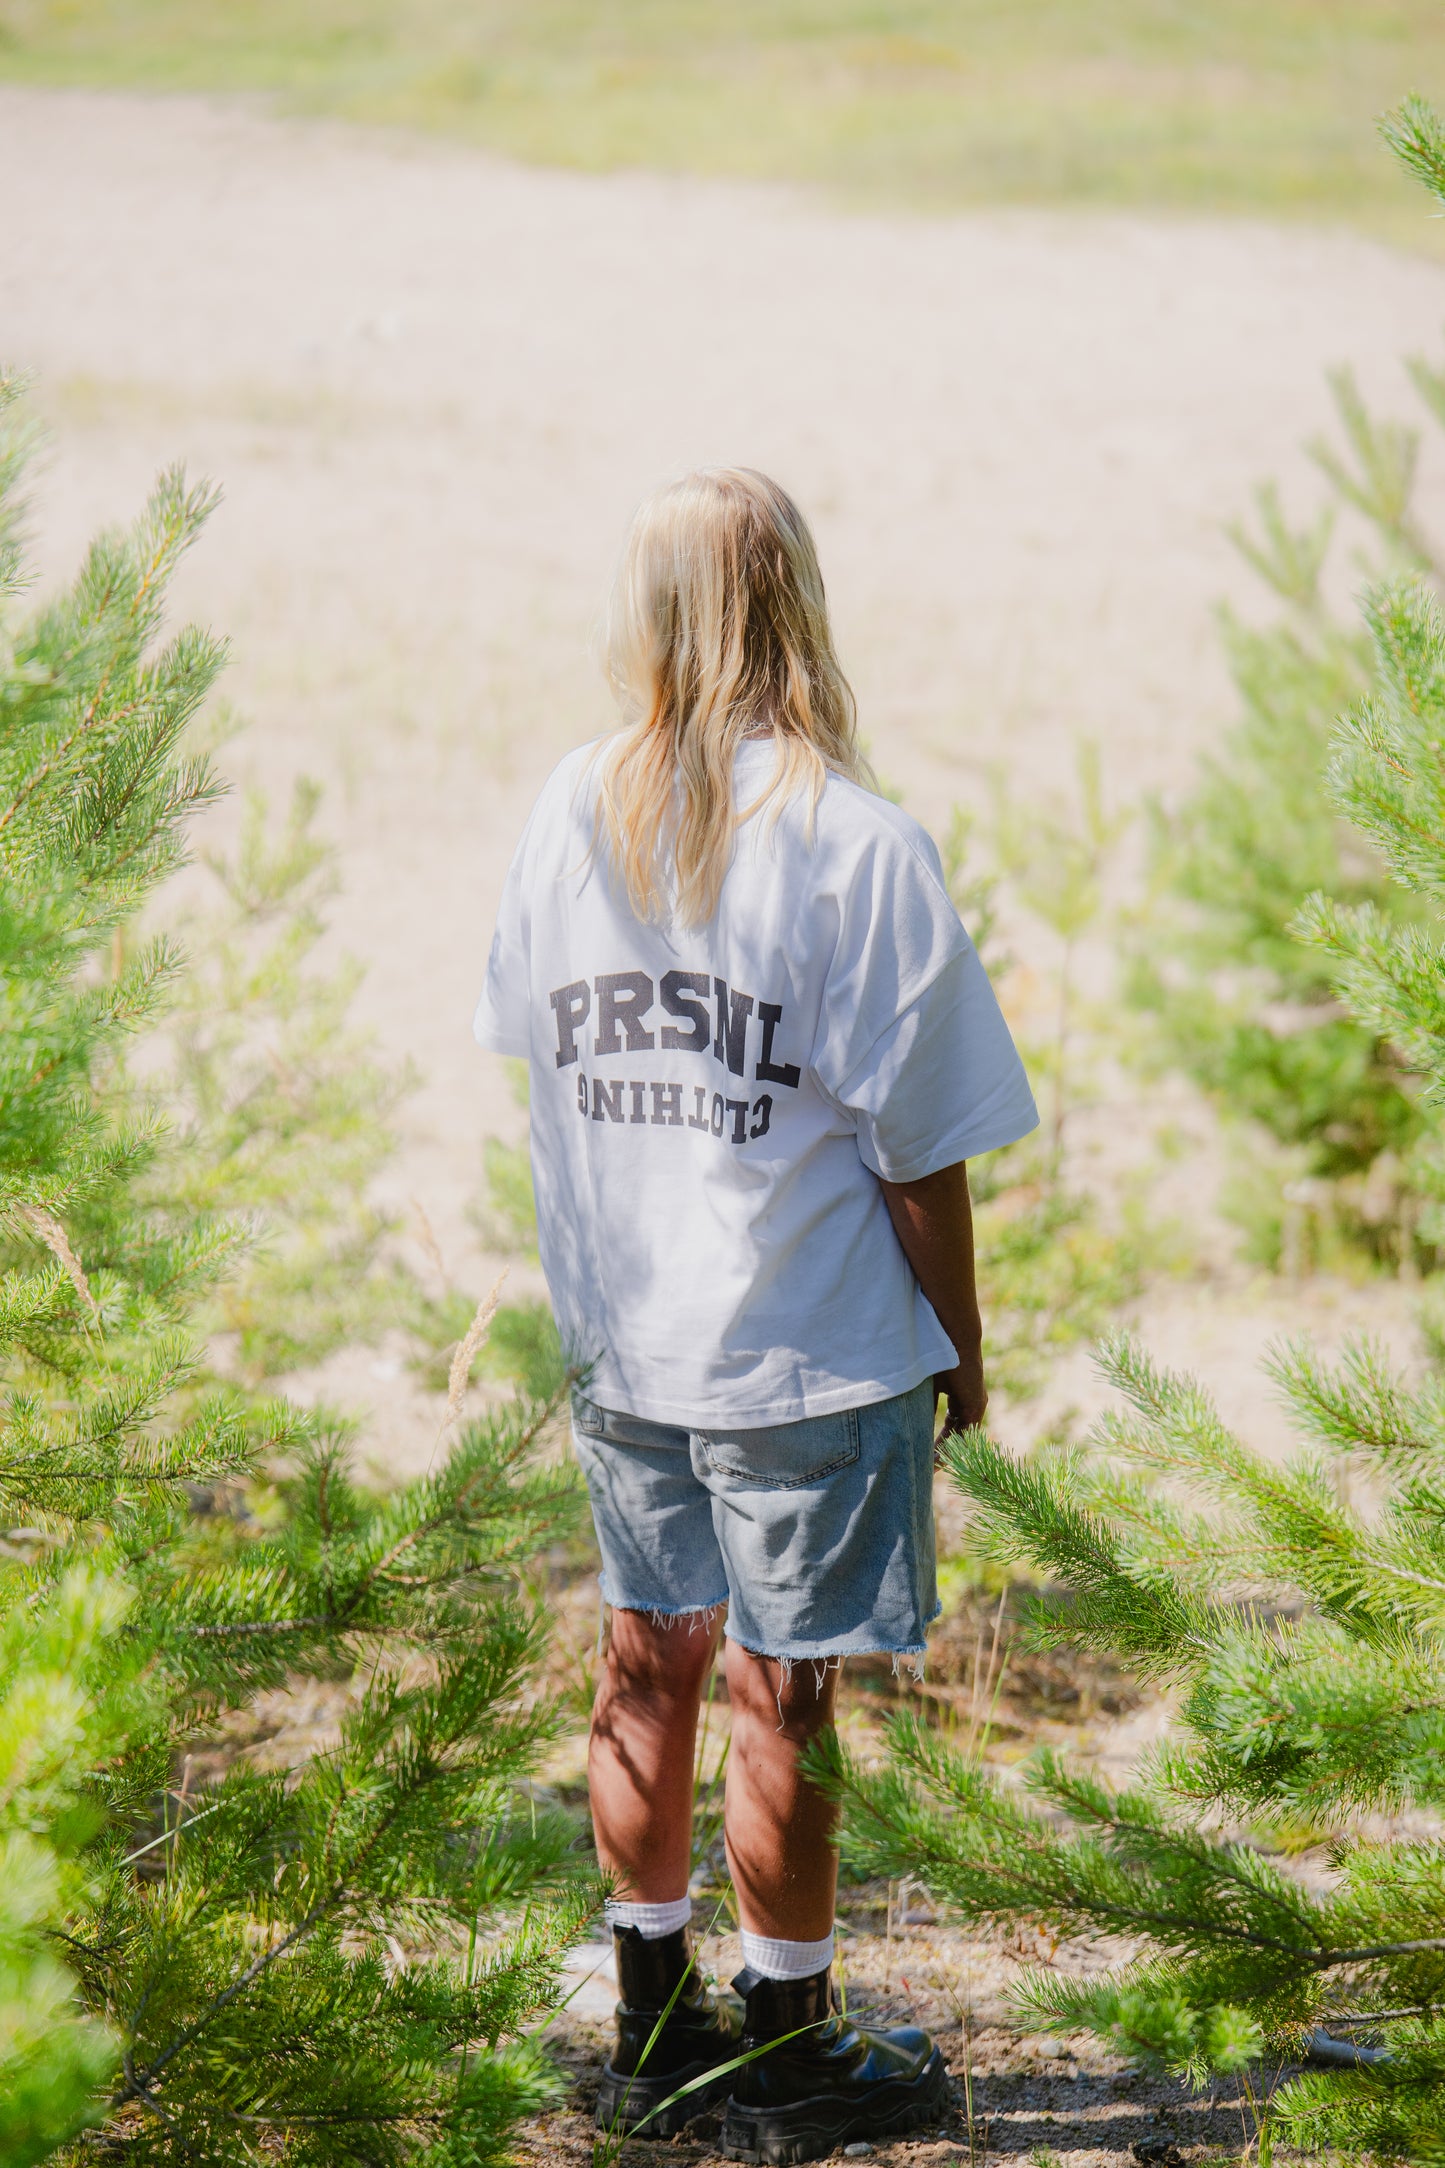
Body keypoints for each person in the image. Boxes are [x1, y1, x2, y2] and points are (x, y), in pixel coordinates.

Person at [474, 468, 1036, 2164]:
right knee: (783, 1695)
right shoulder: (854, 846)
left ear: (644, 618)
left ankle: (648, 2018)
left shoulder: (571, 809)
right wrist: (965, 1346)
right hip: (801, 1348)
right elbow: (920, 1154)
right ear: (794, 602)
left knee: (646, 1661)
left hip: (628, 1341)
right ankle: (785, 2040)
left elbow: (542, 1060)